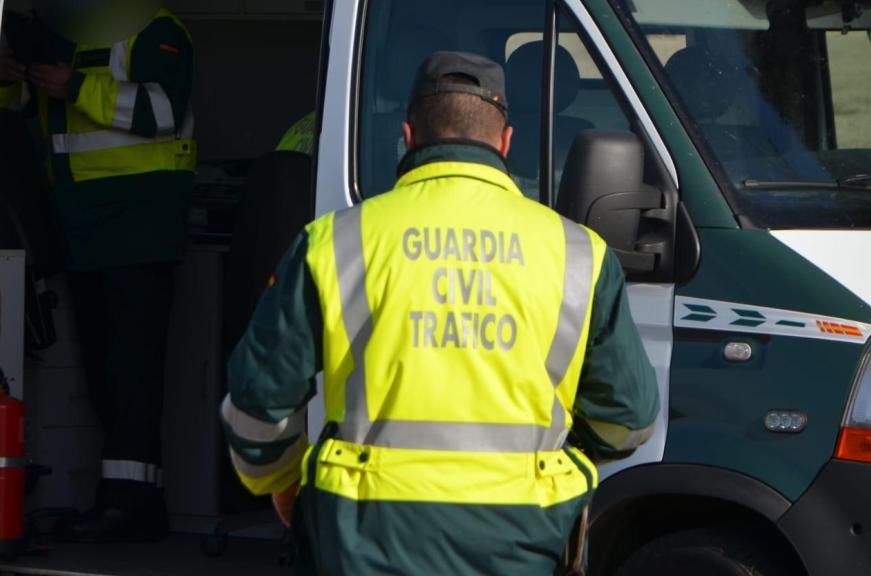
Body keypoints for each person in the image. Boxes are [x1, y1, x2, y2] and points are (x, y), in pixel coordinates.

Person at [221, 51, 658, 574]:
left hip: (361, 535)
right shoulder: (579, 254)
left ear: (408, 136)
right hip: (522, 536)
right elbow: (628, 419)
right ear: (505, 142)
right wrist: (553, 467)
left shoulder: (335, 243)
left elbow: (257, 404)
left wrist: (280, 482)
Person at [0, 0, 196, 541]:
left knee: (132, 374)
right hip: (81, 226)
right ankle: (132, 504)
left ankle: (126, 506)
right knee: (106, 374)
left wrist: (75, 86)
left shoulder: (159, 30)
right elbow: (26, 112)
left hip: (139, 225)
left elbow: (163, 111)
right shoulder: (60, 36)